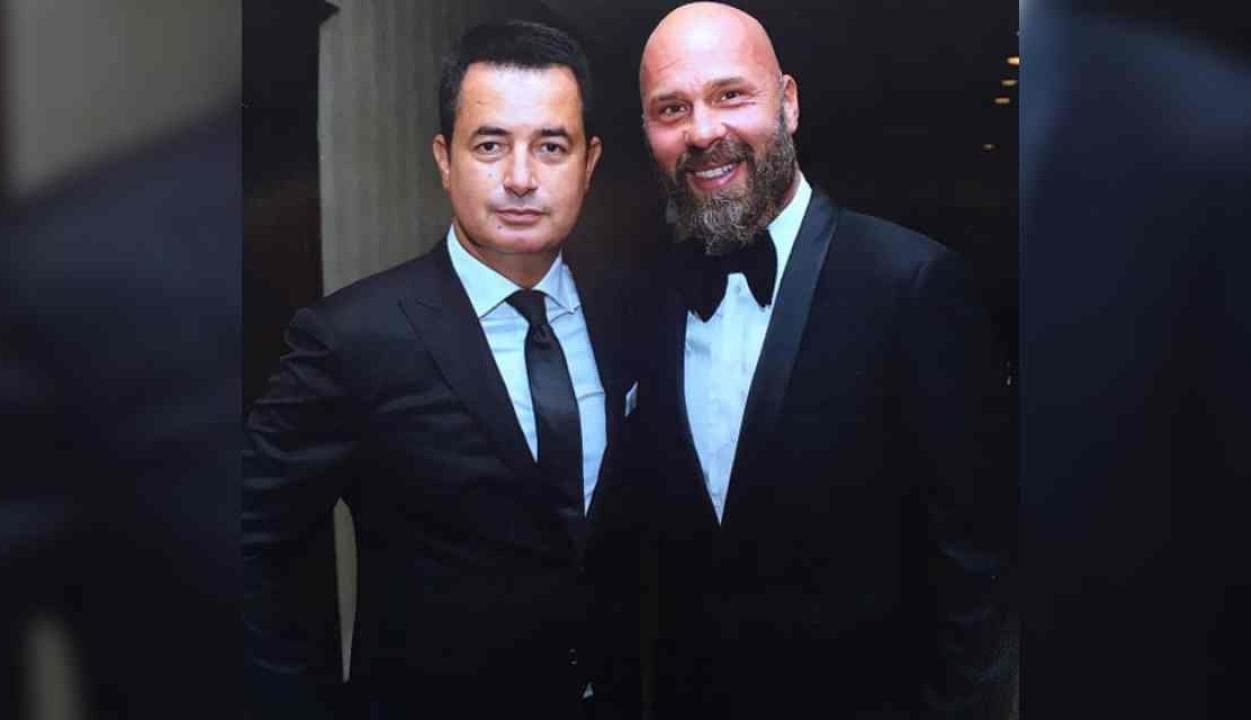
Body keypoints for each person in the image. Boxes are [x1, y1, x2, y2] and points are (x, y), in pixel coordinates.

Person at [628, 3, 1013, 717]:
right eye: (671, 108)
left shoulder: (911, 284)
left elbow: (973, 580)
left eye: (730, 95)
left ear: (789, 103)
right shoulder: (646, 300)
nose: (702, 131)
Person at [243, 19, 636, 719]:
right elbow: (247, 542)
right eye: (490, 145)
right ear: (444, 159)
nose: (521, 179)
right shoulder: (351, 339)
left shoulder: (630, 316)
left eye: (551, 146)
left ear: (590, 162)